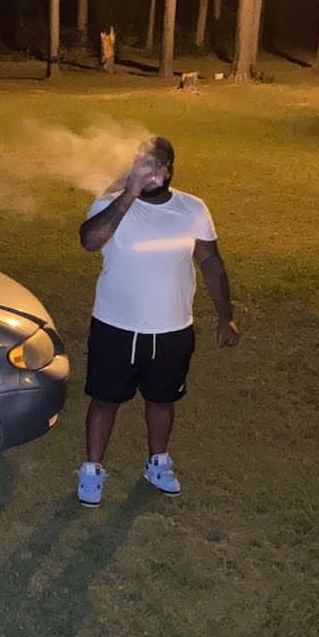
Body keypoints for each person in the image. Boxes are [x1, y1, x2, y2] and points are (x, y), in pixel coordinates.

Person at [75, 136, 240, 508]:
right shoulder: (110, 204)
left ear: (170, 169)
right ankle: (92, 469)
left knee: (163, 400)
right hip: (115, 326)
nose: (151, 171)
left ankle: (158, 463)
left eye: (158, 164)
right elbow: (89, 241)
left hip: (172, 329)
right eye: (144, 163)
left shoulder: (192, 208)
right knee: (104, 400)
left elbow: (210, 261)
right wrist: (128, 194)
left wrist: (225, 316)